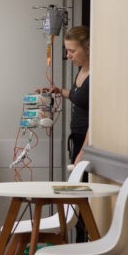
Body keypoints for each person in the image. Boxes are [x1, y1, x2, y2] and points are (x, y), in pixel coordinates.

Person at [51, 25, 90, 242]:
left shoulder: (97, 75)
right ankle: (78, 244)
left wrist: (84, 152)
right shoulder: (81, 71)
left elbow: (97, 118)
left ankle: (84, 248)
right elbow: (79, 97)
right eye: (67, 50)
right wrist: (61, 91)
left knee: (83, 198)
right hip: (77, 140)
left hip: (87, 144)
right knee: (76, 196)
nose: (68, 56)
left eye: (72, 51)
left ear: (88, 48)